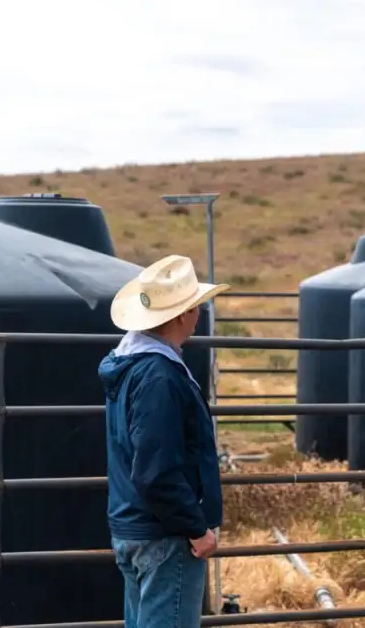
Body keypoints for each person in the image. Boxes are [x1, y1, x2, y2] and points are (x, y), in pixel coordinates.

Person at [99, 254, 230, 628]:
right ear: (182, 315)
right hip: (166, 535)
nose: (198, 314)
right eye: (196, 306)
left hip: (134, 525)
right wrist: (196, 528)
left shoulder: (128, 366)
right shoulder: (161, 376)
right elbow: (156, 470)